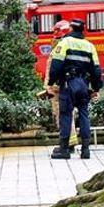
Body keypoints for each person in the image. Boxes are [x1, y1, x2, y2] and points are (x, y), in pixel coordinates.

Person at [48, 18, 101, 160]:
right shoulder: (90, 46)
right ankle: (85, 150)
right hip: (83, 84)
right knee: (84, 115)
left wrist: (51, 83)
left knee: (66, 115)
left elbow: (56, 65)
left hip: (68, 83)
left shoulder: (65, 43)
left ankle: (64, 149)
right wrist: (96, 88)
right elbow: (96, 70)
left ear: (71, 29)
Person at [45, 20, 77, 156]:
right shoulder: (71, 46)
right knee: (67, 114)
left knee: (62, 115)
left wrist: (49, 86)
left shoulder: (60, 48)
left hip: (58, 88)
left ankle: (67, 144)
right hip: (65, 86)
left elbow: (54, 69)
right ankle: (70, 142)